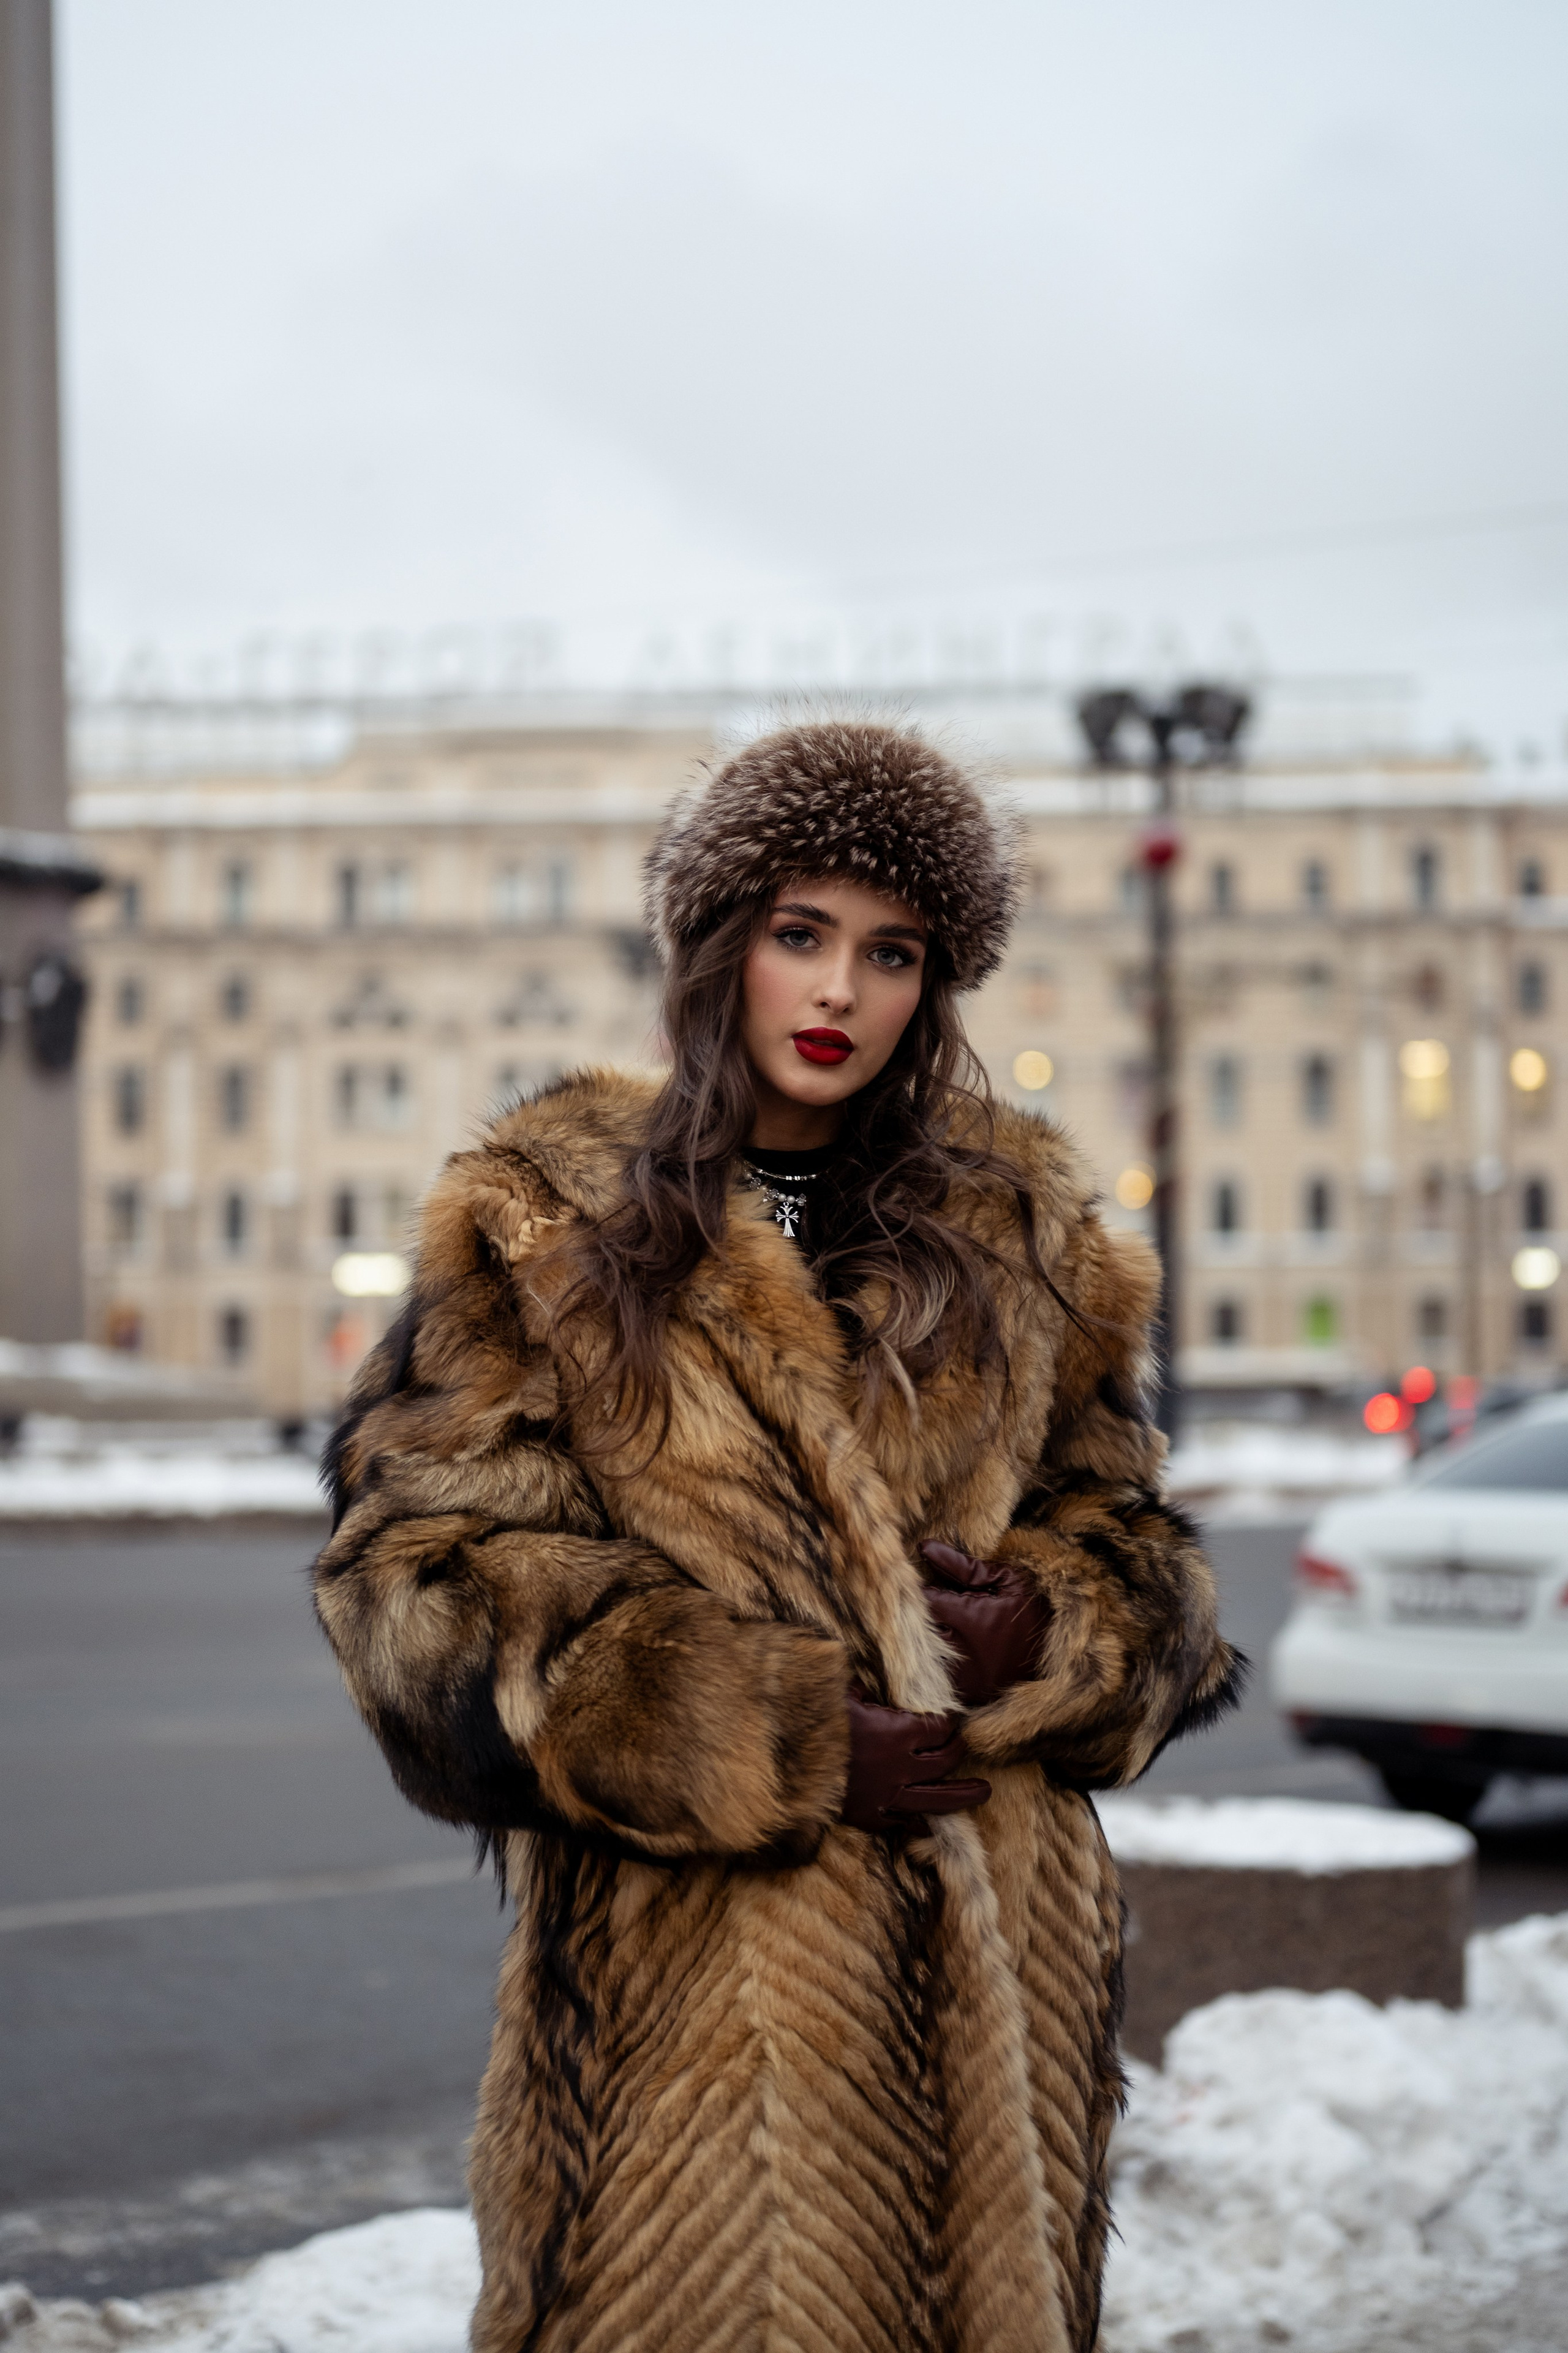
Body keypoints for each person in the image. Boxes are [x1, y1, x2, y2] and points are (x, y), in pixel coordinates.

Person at [312, 719, 1240, 2353]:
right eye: (799, 934)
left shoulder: (1025, 1235)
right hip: (700, 2066)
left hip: (998, 2027)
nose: (839, 991)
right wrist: (768, 1727)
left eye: (890, 952)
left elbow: (1143, 1546)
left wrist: (1059, 1617)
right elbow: (412, 1586)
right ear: (719, 947)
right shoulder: (550, 1222)